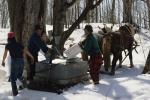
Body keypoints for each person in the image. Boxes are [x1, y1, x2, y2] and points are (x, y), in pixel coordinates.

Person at [1, 32, 34, 96]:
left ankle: (15, 94)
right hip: (21, 61)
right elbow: (26, 51)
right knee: (19, 75)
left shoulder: (8, 45)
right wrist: (32, 57)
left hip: (15, 61)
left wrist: (3, 61)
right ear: (14, 37)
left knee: (13, 79)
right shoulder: (19, 44)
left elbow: (5, 54)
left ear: (8, 38)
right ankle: (24, 83)